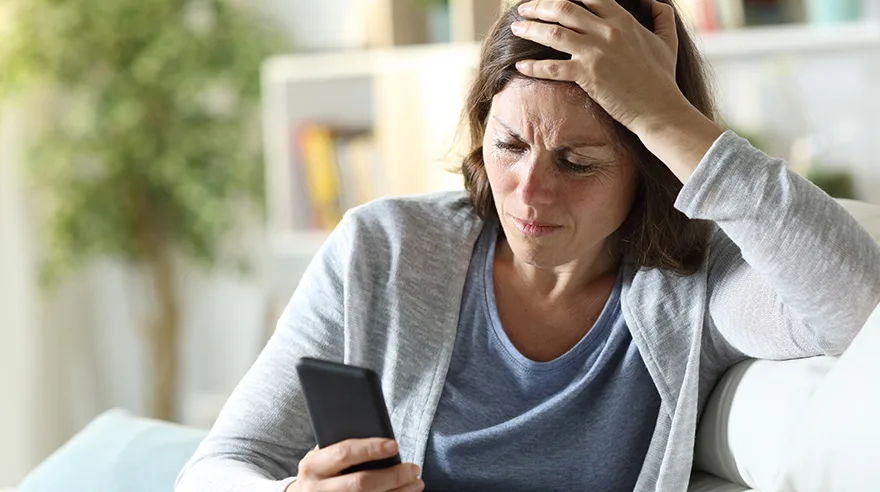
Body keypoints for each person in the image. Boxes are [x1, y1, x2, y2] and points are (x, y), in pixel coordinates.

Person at [176, 0, 880, 491]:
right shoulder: (382, 251)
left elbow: (858, 311)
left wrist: (666, 113)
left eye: (577, 163)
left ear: (651, 167)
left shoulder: (697, 280)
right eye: (509, 145)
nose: (528, 192)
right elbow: (216, 467)